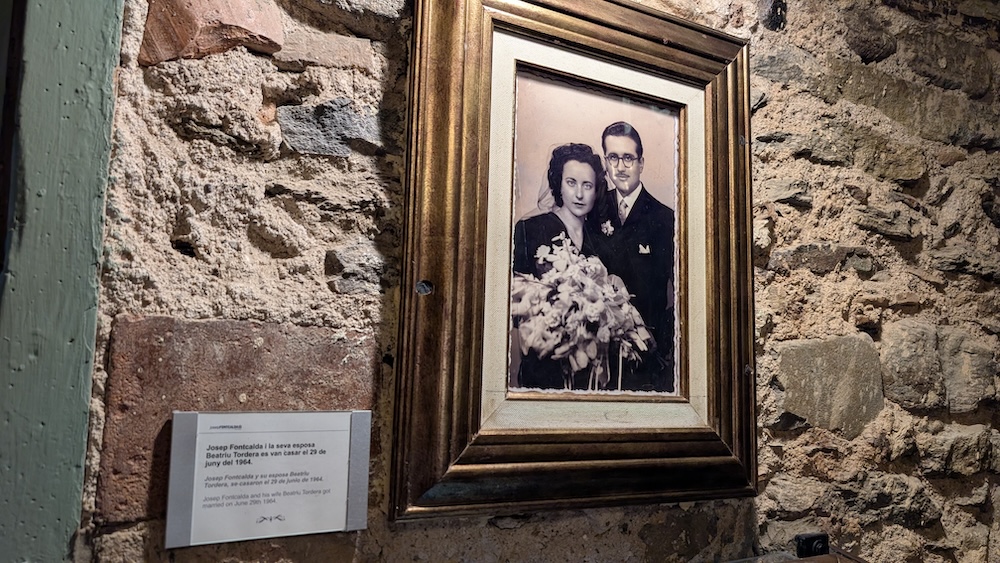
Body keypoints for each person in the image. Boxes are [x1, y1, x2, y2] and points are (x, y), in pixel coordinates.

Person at [511, 143, 608, 389]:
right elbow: (513, 298)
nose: (579, 194)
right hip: (544, 359)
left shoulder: (600, 242)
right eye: (571, 182)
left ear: (596, 191)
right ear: (558, 184)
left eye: (587, 186)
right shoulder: (530, 229)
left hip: (589, 370)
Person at [589, 121, 675, 392]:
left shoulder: (666, 219)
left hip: (647, 352)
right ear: (605, 161)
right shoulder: (594, 211)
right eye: (613, 157)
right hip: (601, 351)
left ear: (641, 163)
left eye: (628, 157)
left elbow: (683, 292)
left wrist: (662, 341)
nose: (621, 166)